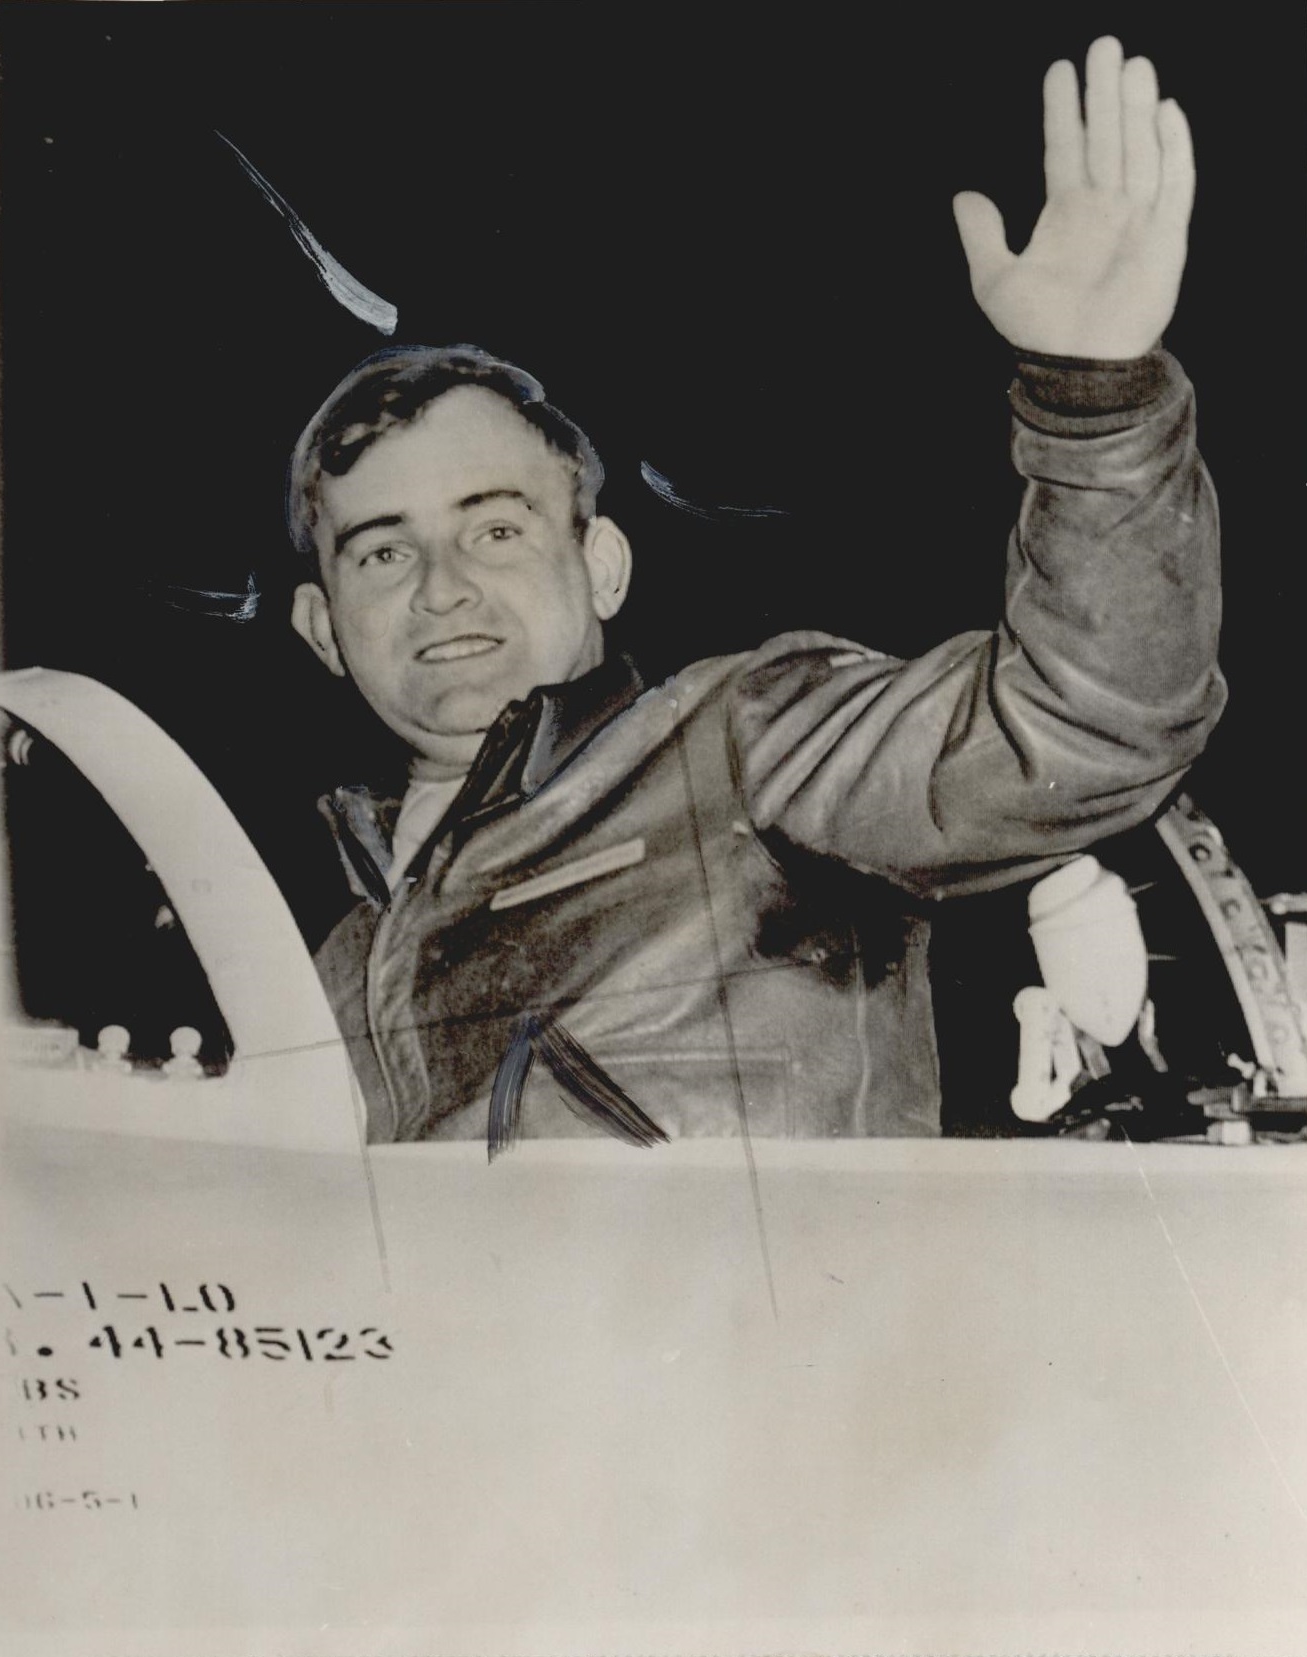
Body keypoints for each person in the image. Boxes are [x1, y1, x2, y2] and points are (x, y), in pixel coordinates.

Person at [287, 38, 1223, 1147]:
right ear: (322, 627)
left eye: (496, 527)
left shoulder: (743, 743)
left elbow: (1081, 721)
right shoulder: (334, 963)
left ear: (601, 566)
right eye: (382, 554)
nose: (443, 588)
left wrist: (1094, 396)